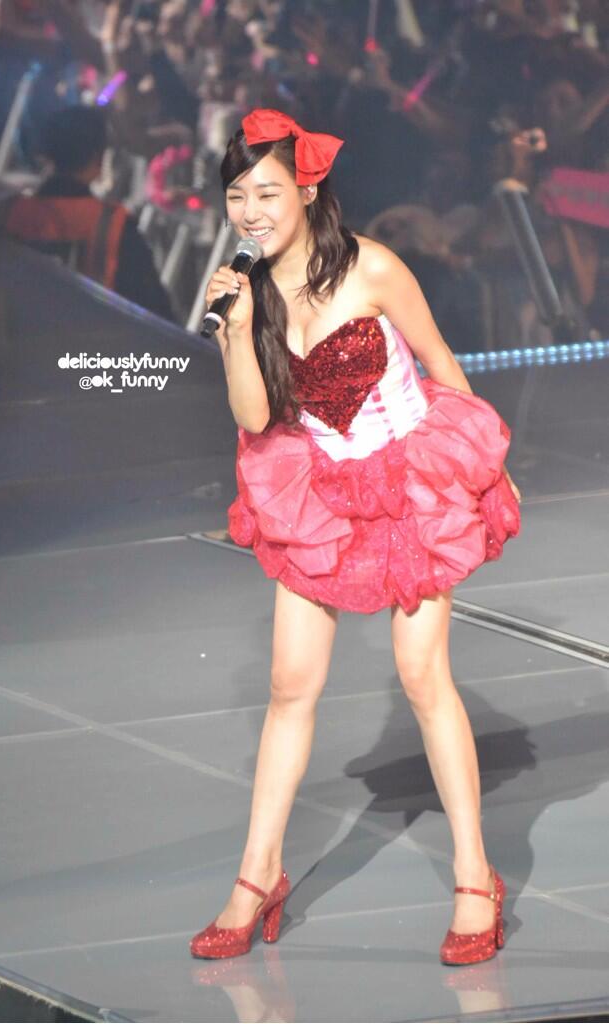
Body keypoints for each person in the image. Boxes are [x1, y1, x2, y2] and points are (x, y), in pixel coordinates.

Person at [190, 108, 521, 967]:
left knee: (421, 674)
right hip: (320, 489)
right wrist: (234, 331)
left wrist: (484, 464)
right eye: (237, 195)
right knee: (288, 684)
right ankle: (258, 876)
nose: (251, 211)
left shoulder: (371, 266)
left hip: (410, 483)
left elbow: (439, 358)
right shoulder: (249, 290)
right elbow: (255, 417)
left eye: (267, 192)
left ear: (306, 191)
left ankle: (475, 877)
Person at [5, 105, 173, 320]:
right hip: (92, 338)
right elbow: (156, 314)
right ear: (98, 157)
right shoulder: (114, 225)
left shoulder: (9, 214)